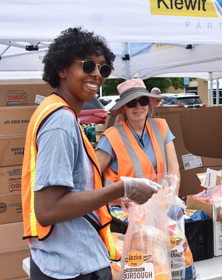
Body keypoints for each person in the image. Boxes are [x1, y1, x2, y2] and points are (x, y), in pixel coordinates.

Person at [21, 27, 160, 280]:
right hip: (72, 266)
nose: (97, 74)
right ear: (61, 69)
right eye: (87, 66)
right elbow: (48, 209)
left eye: (103, 69)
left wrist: (113, 197)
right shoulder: (60, 121)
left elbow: (71, 192)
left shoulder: (59, 113)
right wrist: (123, 188)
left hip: (66, 260)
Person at [95, 79, 181, 196]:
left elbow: (173, 167)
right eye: (131, 103)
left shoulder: (161, 127)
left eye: (143, 101)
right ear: (123, 108)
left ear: (148, 104)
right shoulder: (111, 137)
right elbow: (91, 175)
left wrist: (173, 198)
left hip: (160, 207)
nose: (138, 106)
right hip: (124, 210)